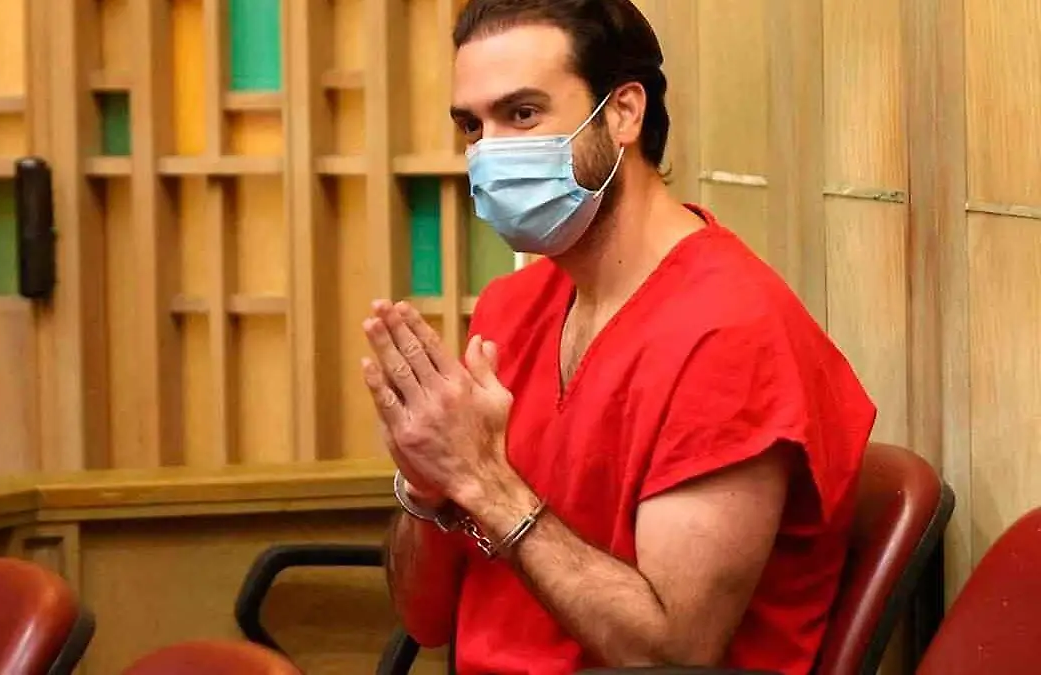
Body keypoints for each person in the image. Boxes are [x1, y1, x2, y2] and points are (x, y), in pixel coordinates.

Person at [358, 1, 877, 673]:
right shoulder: (510, 309)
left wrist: (483, 481)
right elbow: (424, 618)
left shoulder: (728, 333)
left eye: (523, 114)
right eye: (472, 126)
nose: (490, 153)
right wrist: (427, 483)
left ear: (624, 112)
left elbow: (671, 652)